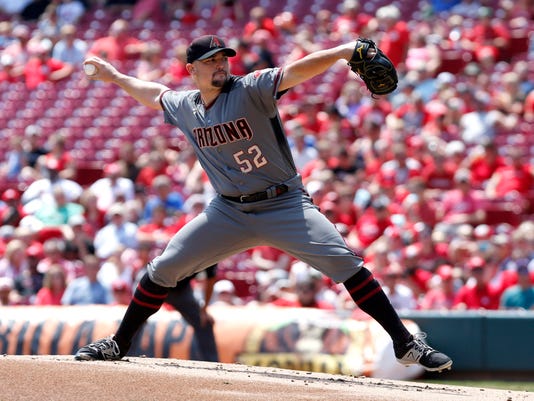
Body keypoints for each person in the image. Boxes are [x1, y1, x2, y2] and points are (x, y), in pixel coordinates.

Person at [74, 34, 452, 372]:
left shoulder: (249, 88)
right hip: (228, 210)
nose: (220, 65)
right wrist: (116, 77)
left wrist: (341, 52)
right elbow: (153, 93)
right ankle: (118, 344)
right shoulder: (185, 105)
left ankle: (405, 343)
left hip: (284, 204)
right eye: (211, 61)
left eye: (224, 59)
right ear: (192, 70)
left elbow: (295, 71)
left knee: (346, 263)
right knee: (163, 268)